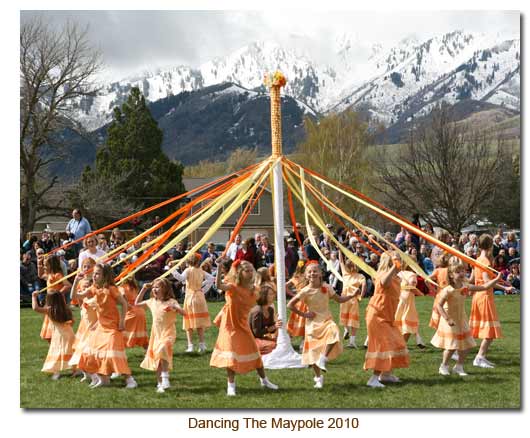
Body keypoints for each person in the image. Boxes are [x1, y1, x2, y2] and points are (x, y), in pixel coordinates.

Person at [210, 260, 279, 396]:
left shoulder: (255, 289)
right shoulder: (233, 287)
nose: (249, 272)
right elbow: (219, 285)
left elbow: (264, 302)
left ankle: (264, 380)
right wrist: (218, 267)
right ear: (239, 273)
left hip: (243, 324)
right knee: (231, 354)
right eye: (246, 270)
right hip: (229, 325)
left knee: (254, 352)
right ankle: (231, 386)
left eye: (250, 270)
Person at [287, 261, 356, 389]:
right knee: (313, 352)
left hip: (326, 320)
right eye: (310, 272)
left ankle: (323, 358)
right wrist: (304, 314)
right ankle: (318, 377)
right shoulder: (305, 291)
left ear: (320, 273)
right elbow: (290, 305)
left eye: (315, 271)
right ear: (306, 276)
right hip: (313, 324)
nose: (312, 273)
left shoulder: (327, 287)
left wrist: (351, 296)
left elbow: (339, 299)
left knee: (334, 332)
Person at [432, 257, 501, 376]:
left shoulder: (465, 286)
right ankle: (443, 366)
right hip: (450, 319)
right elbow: (439, 305)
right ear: (451, 275)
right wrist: (447, 319)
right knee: (451, 346)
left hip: (461, 318)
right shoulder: (447, 290)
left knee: (468, 344)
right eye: (458, 272)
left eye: (463, 271)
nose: (461, 273)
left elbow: (484, 287)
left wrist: (497, 279)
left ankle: (459, 366)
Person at [76, 263, 137, 389]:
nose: (94, 276)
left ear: (105, 276)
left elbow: (124, 304)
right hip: (101, 327)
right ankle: (104, 379)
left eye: (97, 273)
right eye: (94, 273)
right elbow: (76, 296)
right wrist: (76, 280)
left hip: (113, 327)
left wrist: (122, 322)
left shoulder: (111, 289)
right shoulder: (93, 289)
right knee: (92, 353)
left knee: (113, 355)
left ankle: (130, 380)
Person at [363, 252, 410, 388]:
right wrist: (394, 268)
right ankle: (373, 378)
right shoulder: (382, 275)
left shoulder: (395, 277)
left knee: (397, 342)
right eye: (396, 260)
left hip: (388, 316)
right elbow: (384, 283)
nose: (399, 262)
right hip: (377, 315)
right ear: (389, 262)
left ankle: (386, 374)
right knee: (383, 346)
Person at [135, 278, 185, 393]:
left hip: (168, 332)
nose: (154, 289)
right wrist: (143, 289)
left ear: (165, 288)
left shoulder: (171, 302)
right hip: (156, 334)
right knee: (158, 358)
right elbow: (136, 304)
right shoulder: (152, 301)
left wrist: (175, 308)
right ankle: (160, 383)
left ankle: (165, 377)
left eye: (157, 287)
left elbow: (185, 313)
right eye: (153, 287)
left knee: (163, 349)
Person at [470, 234, 512, 368]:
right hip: (484, 297)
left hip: (479, 296)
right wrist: (505, 286)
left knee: (485, 330)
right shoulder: (485, 261)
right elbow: (488, 282)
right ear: (489, 245)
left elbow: (477, 280)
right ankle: (479, 357)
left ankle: (478, 356)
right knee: (489, 330)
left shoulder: (478, 259)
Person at [172, 253, 214, 352]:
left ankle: (190, 346)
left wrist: (172, 270)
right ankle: (202, 345)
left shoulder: (188, 270)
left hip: (190, 298)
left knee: (188, 322)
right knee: (199, 323)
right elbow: (212, 278)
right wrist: (202, 288)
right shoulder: (201, 271)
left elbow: (181, 278)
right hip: (200, 297)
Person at [31, 288, 75, 380]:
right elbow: (73, 321)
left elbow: (36, 308)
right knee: (70, 351)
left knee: (57, 352)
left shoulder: (49, 310)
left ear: (49, 300)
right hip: (69, 333)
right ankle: (76, 370)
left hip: (59, 335)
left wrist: (34, 297)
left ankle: (56, 372)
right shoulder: (66, 309)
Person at [69, 257, 98, 383]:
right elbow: (74, 297)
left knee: (90, 347)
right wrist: (76, 281)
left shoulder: (96, 283)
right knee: (81, 347)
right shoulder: (81, 283)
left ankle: (95, 372)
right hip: (84, 319)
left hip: (94, 320)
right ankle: (87, 371)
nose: (87, 269)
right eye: (84, 266)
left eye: (89, 266)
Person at [37, 255, 72, 342]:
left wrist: (58, 294)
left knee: (55, 326)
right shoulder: (49, 275)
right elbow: (40, 275)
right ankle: (52, 348)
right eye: (44, 265)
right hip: (50, 303)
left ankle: (56, 346)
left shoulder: (57, 275)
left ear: (52, 265)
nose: (44, 267)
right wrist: (39, 264)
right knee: (50, 332)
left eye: (46, 265)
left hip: (56, 304)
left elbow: (68, 285)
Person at [338, 251, 366, 349]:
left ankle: (350, 337)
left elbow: (341, 261)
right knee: (349, 319)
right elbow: (341, 261)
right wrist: (340, 250)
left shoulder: (351, 274)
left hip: (348, 299)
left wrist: (340, 251)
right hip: (349, 299)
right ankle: (350, 339)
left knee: (349, 319)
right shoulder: (358, 276)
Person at [394, 262, 425, 348]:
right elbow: (412, 286)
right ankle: (402, 344)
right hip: (408, 298)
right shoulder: (412, 274)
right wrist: (421, 293)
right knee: (408, 319)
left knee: (400, 318)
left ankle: (401, 342)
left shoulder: (399, 273)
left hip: (399, 297)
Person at [249, 285, 282, 355]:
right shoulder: (257, 311)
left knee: (280, 344)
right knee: (273, 346)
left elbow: (272, 330)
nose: (273, 296)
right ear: (264, 296)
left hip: (260, 338)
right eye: (270, 294)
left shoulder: (270, 310)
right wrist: (273, 327)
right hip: (251, 339)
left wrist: (276, 322)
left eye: (273, 294)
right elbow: (256, 333)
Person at [119, 277, 149, 349]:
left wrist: (128, 306)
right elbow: (138, 300)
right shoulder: (134, 286)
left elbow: (123, 297)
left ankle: (118, 353)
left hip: (132, 313)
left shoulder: (121, 287)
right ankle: (150, 354)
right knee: (142, 334)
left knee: (119, 332)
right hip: (140, 312)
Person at [286, 260, 308, 352]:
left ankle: (288, 343)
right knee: (305, 323)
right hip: (306, 302)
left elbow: (285, 286)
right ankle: (302, 344)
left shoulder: (295, 277)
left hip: (298, 303)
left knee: (295, 323)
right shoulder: (307, 277)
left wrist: (293, 295)